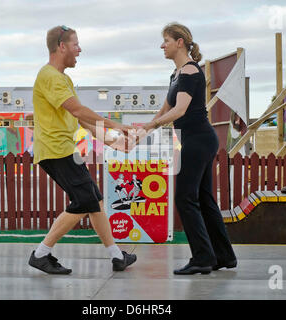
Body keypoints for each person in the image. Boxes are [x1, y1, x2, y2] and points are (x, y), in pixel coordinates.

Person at [28, 25, 137, 274]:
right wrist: (117, 125)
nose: (80, 50)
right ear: (62, 46)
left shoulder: (63, 78)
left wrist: (111, 140)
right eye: (76, 44)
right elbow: (78, 110)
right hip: (55, 150)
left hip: (63, 148)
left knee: (94, 200)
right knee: (85, 200)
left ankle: (117, 256)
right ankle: (41, 254)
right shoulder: (49, 77)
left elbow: (79, 118)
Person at [139, 22, 237, 275]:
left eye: (166, 41)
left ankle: (203, 258)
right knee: (203, 199)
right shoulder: (176, 75)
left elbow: (179, 110)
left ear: (179, 42)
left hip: (197, 140)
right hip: (196, 140)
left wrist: (153, 124)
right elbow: (164, 110)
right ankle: (224, 256)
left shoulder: (190, 71)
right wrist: (142, 130)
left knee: (185, 197)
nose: (162, 45)